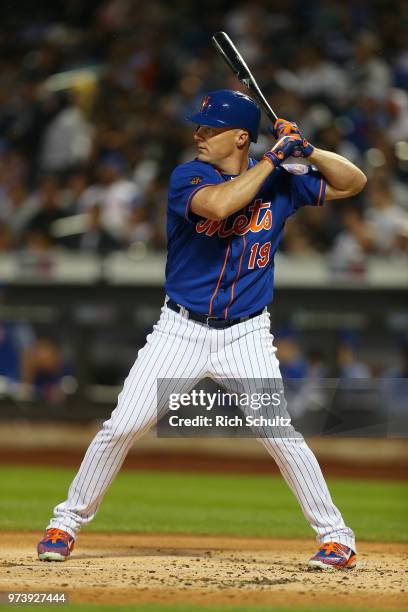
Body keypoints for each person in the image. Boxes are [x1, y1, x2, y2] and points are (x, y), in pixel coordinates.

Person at [37, 90, 366, 570]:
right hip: (181, 330)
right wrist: (275, 158)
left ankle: (337, 537)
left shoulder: (282, 182)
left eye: (209, 129)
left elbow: (353, 182)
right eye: (200, 127)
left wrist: (308, 151)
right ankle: (65, 523)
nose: (197, 134)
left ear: (238, 137)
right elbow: (218, 206)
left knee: (280, 433)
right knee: (122, 425)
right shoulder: (189, 175)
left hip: (247, 334)